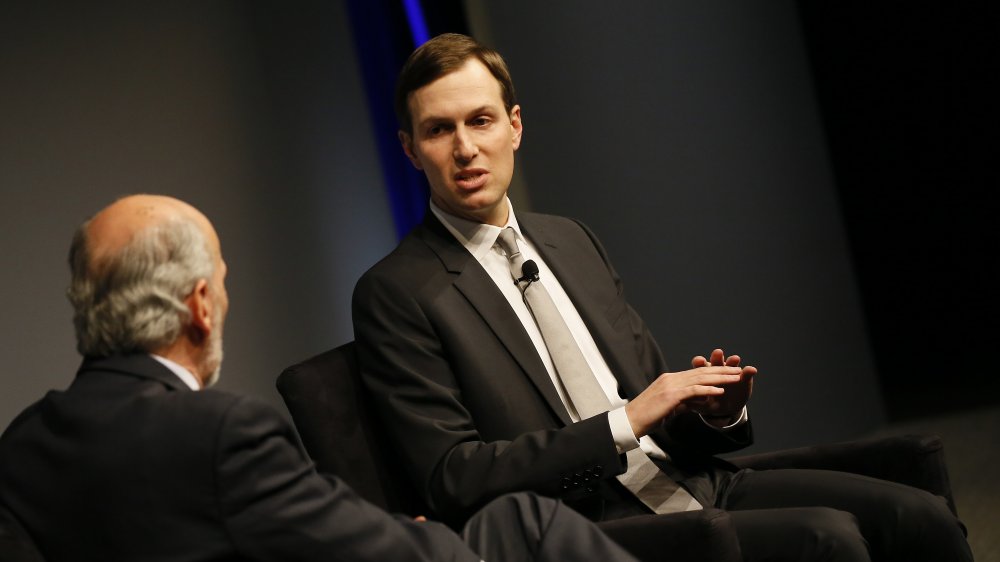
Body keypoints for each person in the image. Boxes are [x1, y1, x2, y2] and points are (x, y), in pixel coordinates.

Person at [351, 33, 974, 561]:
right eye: (439, 130)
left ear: (514, 127)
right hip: (592, 526)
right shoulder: (397, 292)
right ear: (411, 150)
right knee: (827, 539)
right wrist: (626, 421)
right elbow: (452, 476)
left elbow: (656, 405)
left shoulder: (570, 240)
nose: (465, 148)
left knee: (918, 516)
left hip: (694, 483)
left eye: (481, 120)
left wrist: (711, 414)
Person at [0, 194, 638, 562]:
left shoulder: (23, 445)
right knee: (528, 526)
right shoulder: (220, 432)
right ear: (198, 304)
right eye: (222, 278)